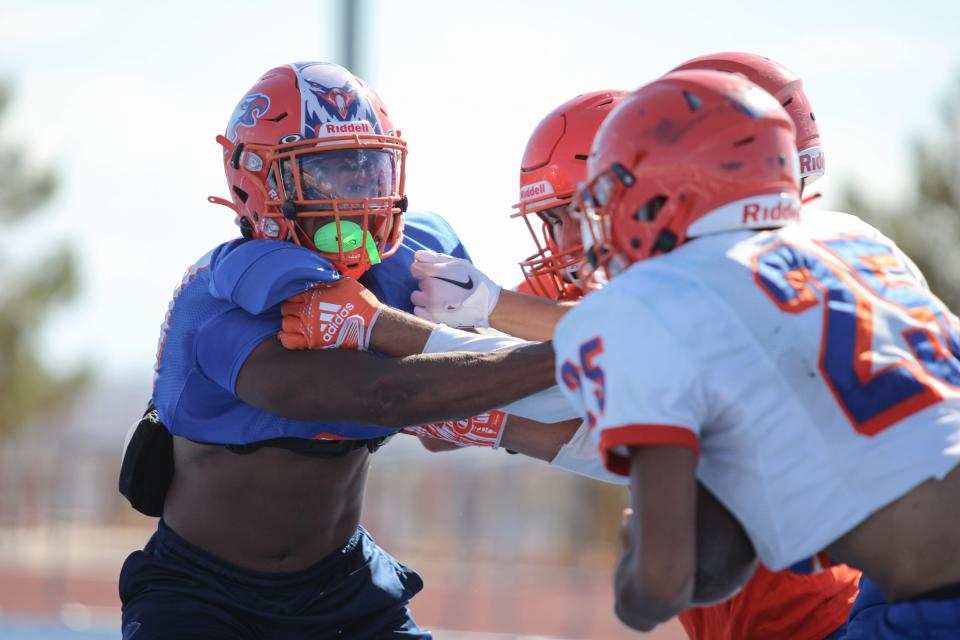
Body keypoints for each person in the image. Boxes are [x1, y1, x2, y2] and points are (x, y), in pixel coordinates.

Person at [409, 63, 860, 640]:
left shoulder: (747, 276)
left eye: (581, 210)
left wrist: (451, 339)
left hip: (817, 608)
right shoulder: (592, 289)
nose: (565, 242)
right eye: (552, 220)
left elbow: (621, 354)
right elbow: (437, 429)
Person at [118, 61, 566, 640]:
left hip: (344, 588)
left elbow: (440, 430)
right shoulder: (222, 298)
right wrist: (567, 353)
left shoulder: (414, 262)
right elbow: (382, 397)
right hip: (203, 592)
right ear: (256, 181)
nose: (358, 195)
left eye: (368, 168)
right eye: (329, 172)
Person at [554, 68, 960, 636]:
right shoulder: (854, 238)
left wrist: (634, 569)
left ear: (665, 193)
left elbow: (660, 585)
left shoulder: (650, 302)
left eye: (611, 197)